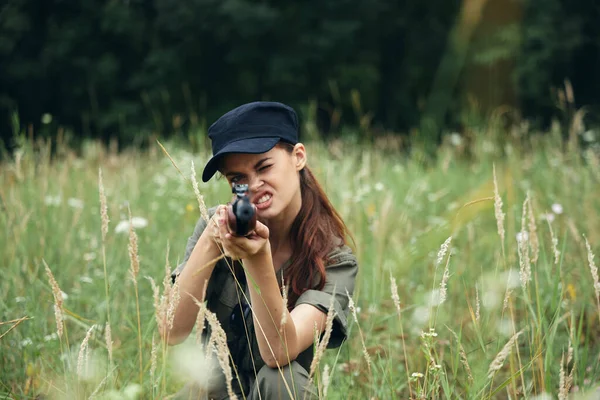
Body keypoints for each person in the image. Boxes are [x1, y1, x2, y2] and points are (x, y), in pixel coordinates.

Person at [164, 101, 358, 399]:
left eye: (264, 166)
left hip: (275, 392)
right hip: (213, 389)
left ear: (298, 156)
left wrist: (256, 258)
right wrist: (212, 240)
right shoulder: (215, 228)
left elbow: (278, 354)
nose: (254, 186)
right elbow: (171, 331)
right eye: (237, 179)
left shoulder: (334, 260)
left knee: (282, 378)